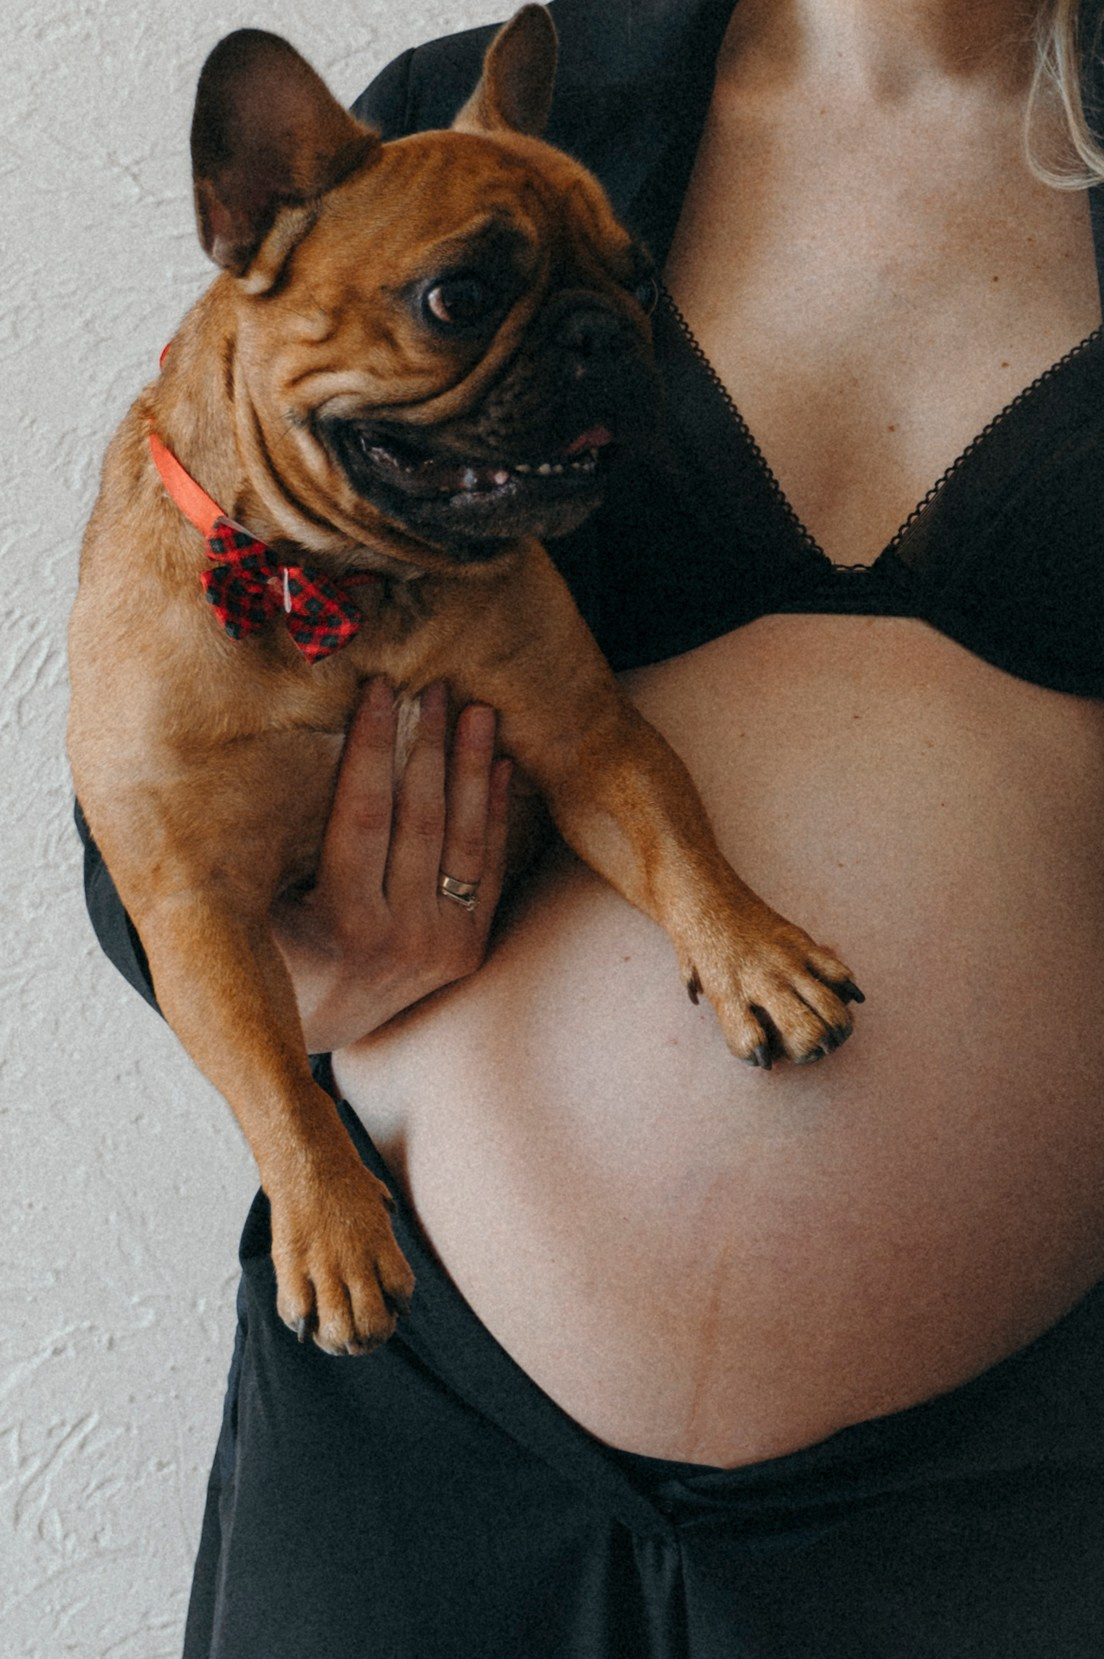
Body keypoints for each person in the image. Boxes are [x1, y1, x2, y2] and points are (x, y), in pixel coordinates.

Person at [80, 1, 1104, 1653]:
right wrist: (325, 971)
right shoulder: (459, 123)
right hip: (431, 1431)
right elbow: (151, 778)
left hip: (1009, 1481)